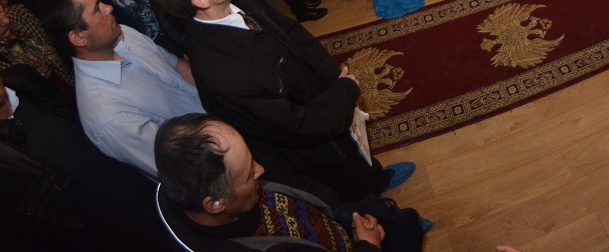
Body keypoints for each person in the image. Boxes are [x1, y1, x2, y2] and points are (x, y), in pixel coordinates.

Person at [151, 0, 416, 207]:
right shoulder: (223, 77)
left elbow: (292, 33)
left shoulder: (237, 0)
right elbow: (298, 126)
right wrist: (345, 91)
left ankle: (374, 179)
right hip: (314, 150)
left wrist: (332, 79)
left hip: (327, 106)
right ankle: (380, 212)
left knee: (355, 157)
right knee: (352, 194)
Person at [155, 114, 430, 252]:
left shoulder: (198, 183)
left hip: (338, 226)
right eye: (247, 172)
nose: (260, 170)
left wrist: (341, 212)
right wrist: (369, 246)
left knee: (401, 227)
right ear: (215, 204)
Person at [38, 0, 204, 178]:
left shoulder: (122, 34)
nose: (109, 8)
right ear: (78, 38)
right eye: (97, 9)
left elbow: (177, 66)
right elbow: (184, 169)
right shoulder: (108, 117)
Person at [0, 66, 156, 251]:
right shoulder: (4, 160)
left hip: (145, 195)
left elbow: (79, 123)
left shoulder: (24, 80)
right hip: (114, 239)